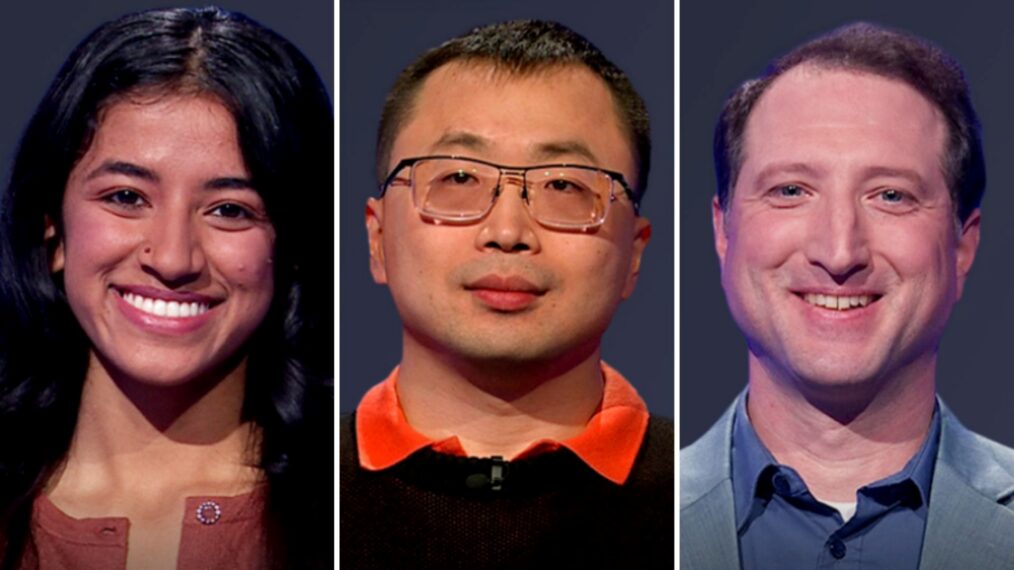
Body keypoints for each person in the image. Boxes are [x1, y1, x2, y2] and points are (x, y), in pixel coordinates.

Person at [0, 7, 333, 569]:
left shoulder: (355, 514)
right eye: (126, 197)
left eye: (230, 210)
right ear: (51, 227)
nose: (173, 258)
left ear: (293, 248)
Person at [340, 19, 673, 568]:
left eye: (564, 186)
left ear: (634, 253)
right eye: (459, 179)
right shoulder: (289, 498)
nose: (507, 231)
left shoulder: (702, 507)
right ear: (377, 238)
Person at [681, 22, 1014, 569]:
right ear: (723, 230)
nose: (839, 252)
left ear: (963, 244)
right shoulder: (622, 528)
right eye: (791, 190)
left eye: (890, 195)